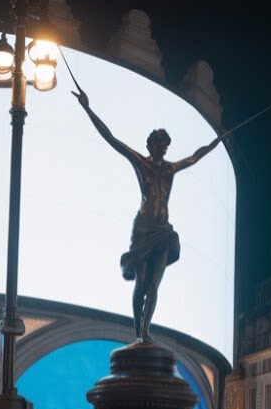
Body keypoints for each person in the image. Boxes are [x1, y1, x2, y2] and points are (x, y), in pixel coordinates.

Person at [74, 89, 227, 341]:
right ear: (151, 145)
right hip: (144, 230)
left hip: (163, 231)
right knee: (141, 283)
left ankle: (145, 331)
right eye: (159, 145)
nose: (163, 150)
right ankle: (137, 332)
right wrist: (87, 108)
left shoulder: (170, 169)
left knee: (154, 285)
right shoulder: (141, 163)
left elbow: (195, 157)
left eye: (166, 146)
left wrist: (217, 140)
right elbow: (111, 138)